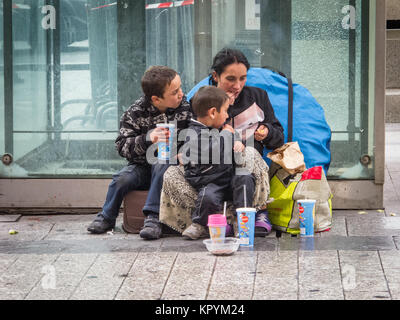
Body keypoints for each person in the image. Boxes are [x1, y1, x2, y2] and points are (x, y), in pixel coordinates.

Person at [87, 66, 192, 239]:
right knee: (122, 178)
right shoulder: (135, 112)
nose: (181, 94)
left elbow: (198, 136)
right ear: (156, 99)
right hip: (142, 166)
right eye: (175, 92)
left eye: (180, 88)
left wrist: (185, 153)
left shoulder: (187, 108)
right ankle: (106, 216)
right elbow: (122, 146)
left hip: (173, 167)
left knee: (162, 162)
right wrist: (147, 139)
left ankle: (153, 218)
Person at [208, 47, 284, 236]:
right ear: (216, 76)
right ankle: (225, 215)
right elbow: (195, 136)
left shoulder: (258, 96)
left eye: (243, 78)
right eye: (231, 79)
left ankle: (257, 211)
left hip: (250, 170)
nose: (237, 86)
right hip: (216, 170)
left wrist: (266, 132)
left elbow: (278, 138)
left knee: (248, 158)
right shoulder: (203, 99)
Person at [181, 86, 252, 240]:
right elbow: (214, 150)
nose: (227, 116)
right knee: (208, 196)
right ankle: (199, 224)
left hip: (228, 176)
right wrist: (227, 134)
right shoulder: (194, 133)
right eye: (225, 111)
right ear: (213, 112)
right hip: (210, 180)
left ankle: (243, 222)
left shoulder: (218, 127)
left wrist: (238, 142)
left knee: (245, 178)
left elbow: (230, 142)